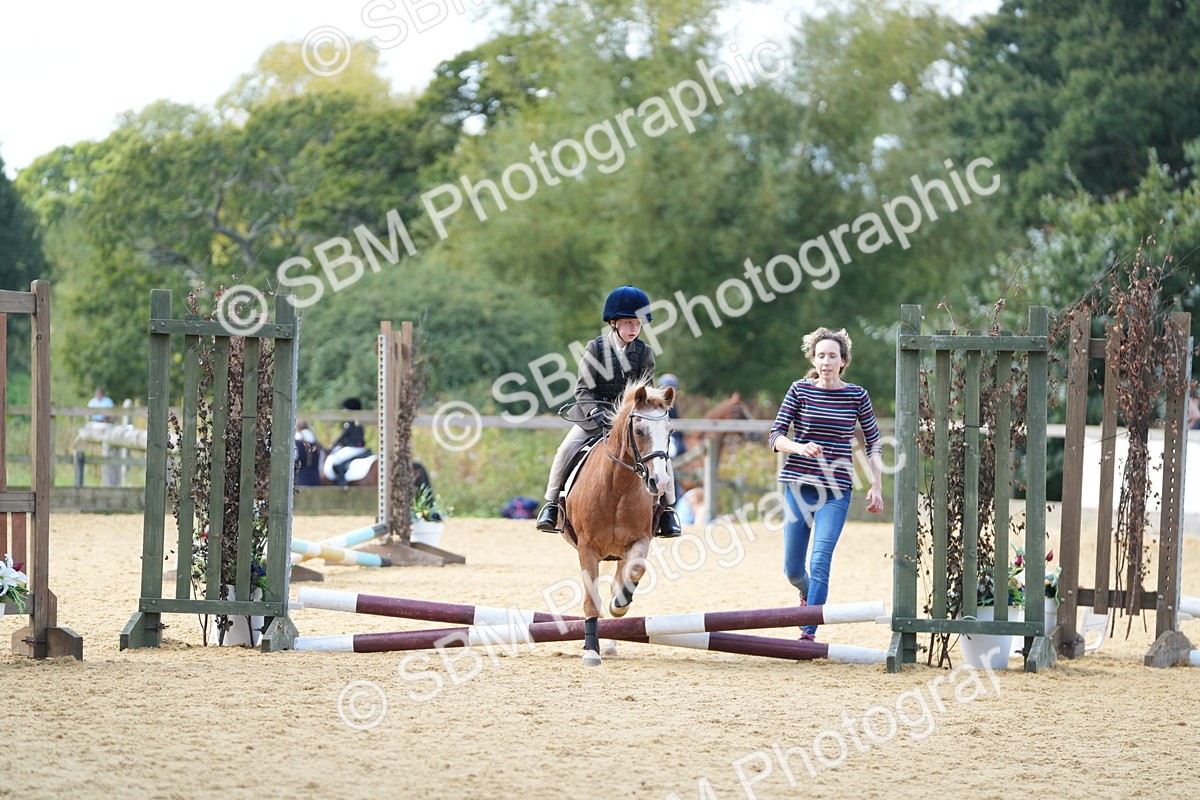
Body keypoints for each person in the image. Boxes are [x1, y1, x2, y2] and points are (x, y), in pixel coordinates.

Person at [535, 285, 681, 537]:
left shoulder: (644, 353)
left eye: (638, 324)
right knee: (565, 449)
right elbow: (583, 390)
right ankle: (551, 505)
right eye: (629, 323)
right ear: (614, 322)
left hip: (631, 421)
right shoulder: (595, 348)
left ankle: (667, 511)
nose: (634, 328)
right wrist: (594, 412)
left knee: (661, 457)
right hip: (595, 417)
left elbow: (646, 394)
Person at [768, 327, 884, 642]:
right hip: (798, 488)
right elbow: (775, 436)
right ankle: (807, 594)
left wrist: (876, 484)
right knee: (793, 570)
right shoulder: (799, 390)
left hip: (836, 491)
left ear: (843, 361)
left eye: (832, 356)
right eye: (821, 356)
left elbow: (873, 442)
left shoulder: (857, 396)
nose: (826, 362)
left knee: (820, 560)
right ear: (813, 360)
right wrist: (799, 447)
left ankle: (808, 633)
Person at [325, 398, 370, 486]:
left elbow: (342, 437)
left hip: (352, 448)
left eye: (345, 409)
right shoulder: (359, 421)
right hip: (361, 448)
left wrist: (332, 445)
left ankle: (342, 481)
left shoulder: (350, 423)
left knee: (335, 459)